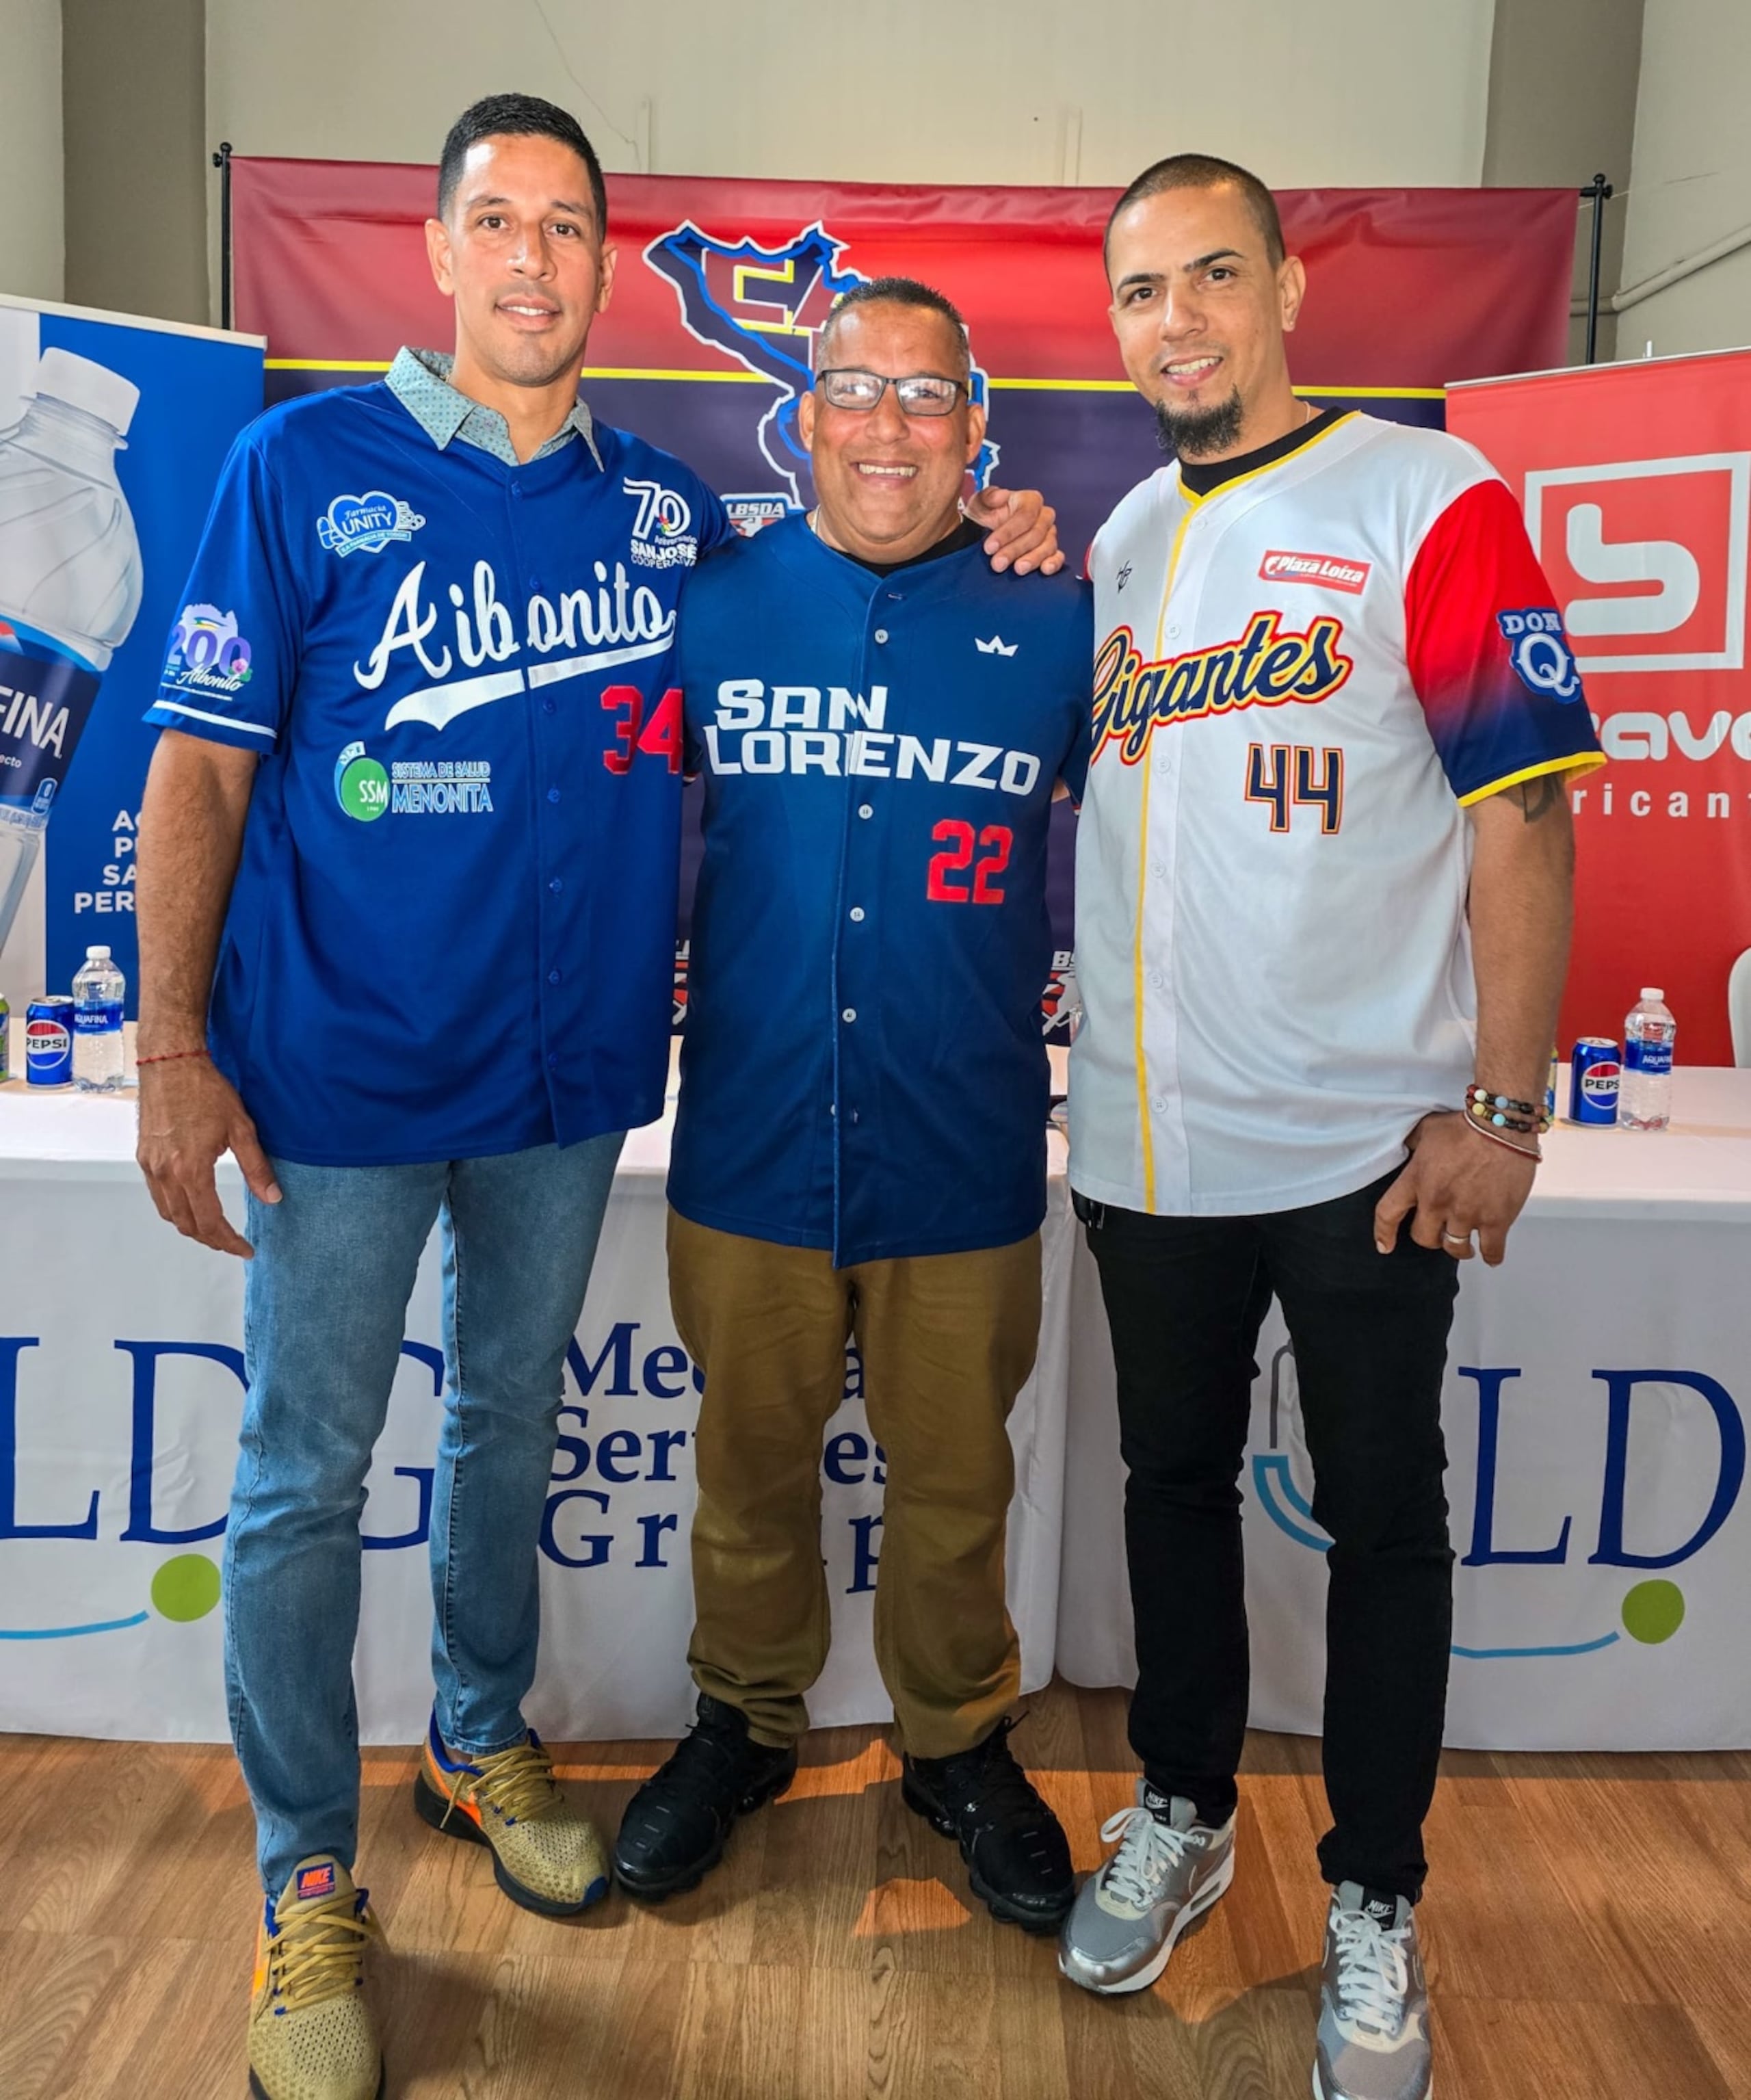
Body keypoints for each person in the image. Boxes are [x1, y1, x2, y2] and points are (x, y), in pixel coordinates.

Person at [133, 97, 1058, 2100]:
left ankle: (477, 1736)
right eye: (501, 222)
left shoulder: (663, 514)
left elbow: (854, 589)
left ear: (604, 262)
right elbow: (197, 768)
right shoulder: (303, 463)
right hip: (337, 1081)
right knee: (301, 1474)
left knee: (501, 1417)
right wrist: (168, 1041)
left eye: (570, 226)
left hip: (563, 1090)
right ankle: (305, 1870)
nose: (535, 259)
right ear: (442, 252)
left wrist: (1009, 522)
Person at [1053, 155, 1603, 2100]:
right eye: (1140, 289)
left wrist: (1505, 1108)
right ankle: (1188, 1802)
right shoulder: (1119, 540)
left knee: (1385, 1528)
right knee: (1171, 1496)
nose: (1176, 317)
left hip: (1373, 1149)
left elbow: (1522, 807)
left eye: (1213, 273)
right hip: (1145, 1150)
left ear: (1288, 285)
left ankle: (1376, 1893)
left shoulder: (1423, 496)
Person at [609, 278, 1090, 1934]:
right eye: (856, 389)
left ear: (974, 425)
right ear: (802, 418)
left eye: (926, 393)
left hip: (960, 1145)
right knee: (744, 1470)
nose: (889, 422)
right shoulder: (708, 604)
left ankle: (955, 1743)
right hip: (745, 1134)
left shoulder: (1060, 620)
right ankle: (743, 1722)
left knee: (955, 1486)